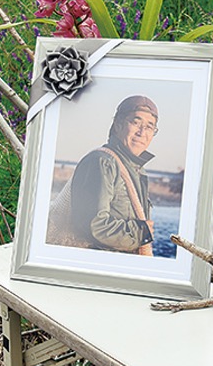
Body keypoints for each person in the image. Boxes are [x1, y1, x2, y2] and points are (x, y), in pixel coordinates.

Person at [69, 95, 161, 254]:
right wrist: (140, 233)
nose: (142, 132)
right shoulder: (102, 162)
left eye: (149, 127)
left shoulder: (136, 169)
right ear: (118, 124)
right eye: (136, 123)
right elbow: (93, 226)